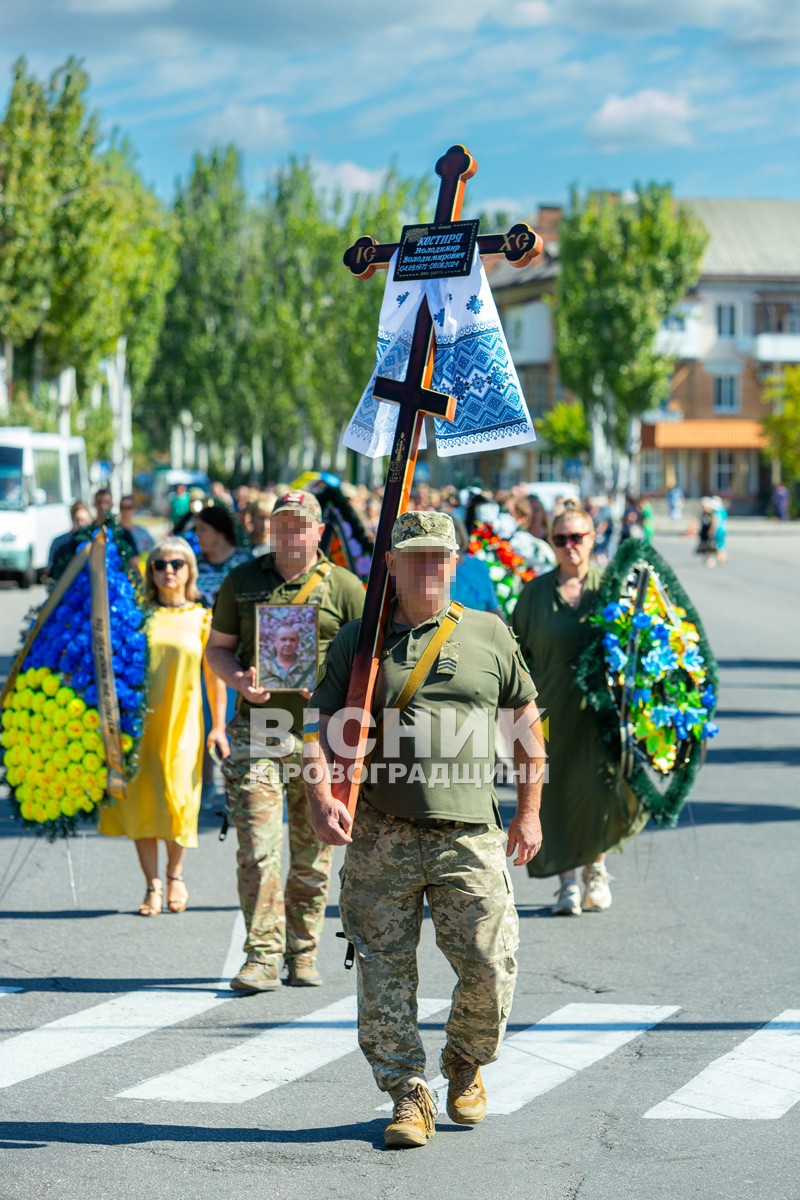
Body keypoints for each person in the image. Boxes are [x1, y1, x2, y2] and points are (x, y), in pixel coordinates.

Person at [304, 510, 545, 1149]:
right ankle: (407, 1091)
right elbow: (315, 726)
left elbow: (526, 727)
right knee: (383, 969)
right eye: (414, 558)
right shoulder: (360, 641)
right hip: (381, 829)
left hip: (469, 832)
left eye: (439, 557)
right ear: (392, 566)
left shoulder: (490, 634)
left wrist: (528, 810)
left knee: (491, 964)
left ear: (455, 562)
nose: (428, 568)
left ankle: (464, 1060)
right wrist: (318, 791)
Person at [205, 489, 365, 992]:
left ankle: (303, 952)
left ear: (319, 531)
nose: (291, 534)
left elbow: (369, 662)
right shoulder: (242, 580)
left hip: (322, 738)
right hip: (258, 731)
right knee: (256, 846)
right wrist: (239, 682)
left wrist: (332, 687)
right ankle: (261, 954)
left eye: (301, 525)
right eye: (283, 525)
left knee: (314, 851)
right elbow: (217, 651)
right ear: (271, 529)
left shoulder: (344, 587)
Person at [512, 499, 642, 915]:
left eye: (578, 537)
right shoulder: (534, 593)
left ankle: (596, 871)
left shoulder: (613, 587)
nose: (570, 546)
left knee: (599, 788)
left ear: (593, 537)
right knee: (552, 790)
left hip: (600, 709)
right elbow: (515, 656)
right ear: (550, 542)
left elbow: (640, 648)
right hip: (547, 707)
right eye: (561, 538)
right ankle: (567, 882)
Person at [98, 537, 229, 916]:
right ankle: (152, 884)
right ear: (150, 572)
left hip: (185, 722)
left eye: (176, 564)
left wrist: (218, 726)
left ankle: (175, 874)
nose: (168, 571)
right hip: (139, 725)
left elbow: (214, 678)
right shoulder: (137, 616)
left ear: (189, 570)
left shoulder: (203, 618)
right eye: (159, 564)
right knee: (143, 799)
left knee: (179, 798)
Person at [194, 504, 253, 607]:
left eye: (203, 529)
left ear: (220, 531)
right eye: (197, 529)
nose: (197, 534)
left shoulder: (246, 562)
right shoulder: (194, 563)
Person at [450, 516, 503, 615]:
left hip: (479, 627)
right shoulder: (427, 570)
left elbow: (493, 607)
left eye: (454, 530)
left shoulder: (478, 565)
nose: (449, 536)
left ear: (461, 535)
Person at [259, 624, 317, 691]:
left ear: (297, 643)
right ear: (275, 642)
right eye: (283, 639)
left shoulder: (310, 668)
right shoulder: (261, 667)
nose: (288, 644)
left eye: (292, 640)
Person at [46, 500, 92, 578]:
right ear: (72, 519)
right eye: (78, 520)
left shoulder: (93, 541)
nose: (81, 524)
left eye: (84, 521)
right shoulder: (59, 542)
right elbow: (51, 569)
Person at [696, 497, 719, 567]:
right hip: (703, 533)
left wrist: (712, 531)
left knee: (710, 547)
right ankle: (705, 559)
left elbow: (714, 523)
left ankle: (711, 560)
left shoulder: (711, 514)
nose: (704, 508)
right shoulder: (703, 514)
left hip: (709, 533)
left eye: (705, 507)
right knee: (703, 547)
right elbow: (700, 523)